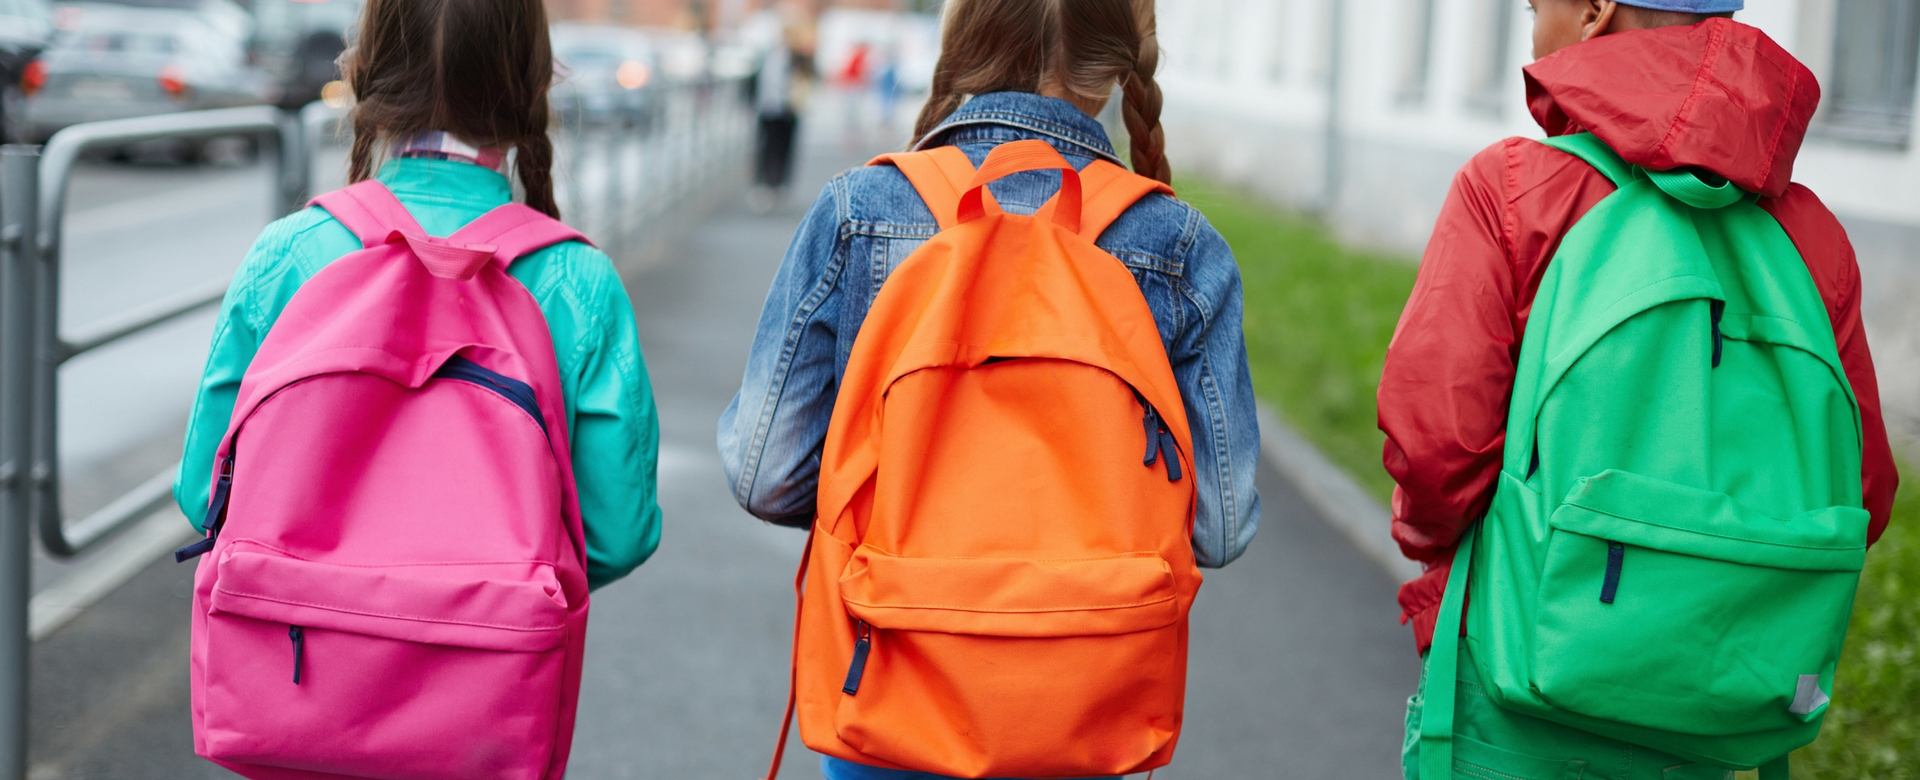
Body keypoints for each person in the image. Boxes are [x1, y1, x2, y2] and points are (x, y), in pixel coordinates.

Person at [717, 0, 1260, 778]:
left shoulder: (861, 211)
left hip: (891, 683)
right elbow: (1221, 526)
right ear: (1118, 62)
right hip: (1086, 706)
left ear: (964, 35)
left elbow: (765, 476)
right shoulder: (1180, 247)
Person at [1380, 1, 1900, 777]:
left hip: (1520, 691)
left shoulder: (1516, 192)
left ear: (1594, 10)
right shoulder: (1810, 237)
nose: (1529, 17)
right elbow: (1864, 490)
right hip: (1718, 710)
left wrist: (1450, 578)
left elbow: (1435, 450)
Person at [175, 0, 663, 592]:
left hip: (292, 661)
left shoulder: (288, 255)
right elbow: (617, 533)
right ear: (534, 82)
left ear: (365, 71)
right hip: (492, 669)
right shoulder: (577, 282)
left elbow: (206, 488)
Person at [751, 19, 815, 211]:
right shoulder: (769, 54)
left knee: (784, 148)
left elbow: (809, 77)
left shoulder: (798, 57)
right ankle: (766, 184)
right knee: (767, 147)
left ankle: (779, 184)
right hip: (769, 108)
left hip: (788, 110)